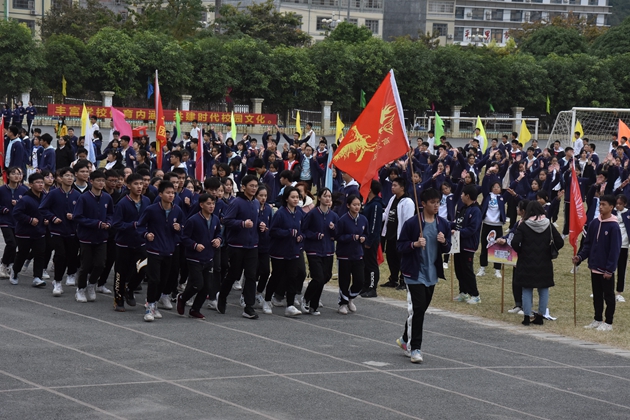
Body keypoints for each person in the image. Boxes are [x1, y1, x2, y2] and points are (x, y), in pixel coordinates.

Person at [396, 188, 452, 363]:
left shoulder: (443, 224)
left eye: (438, 202)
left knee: (420, 309)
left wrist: (444, 242)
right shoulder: (413, 224)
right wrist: (414, 244)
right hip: (414, 273)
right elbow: (400, 246)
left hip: (431, 273)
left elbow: (448, 248)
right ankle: (415, 348)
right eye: (432, 202)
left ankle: (404, 339)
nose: (436, 206)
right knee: (418, 309)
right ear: (423, 204)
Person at [217, 175, 266, 319]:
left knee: (251, 275)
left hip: (252, 245)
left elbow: (255, 220)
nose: (254, 189)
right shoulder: (236, 202)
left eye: (256, 186)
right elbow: (226, 220)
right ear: (243, 187)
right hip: (236, 245)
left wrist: (260, 225)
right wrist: (242, 224)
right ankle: (222, 296)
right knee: (234, 274)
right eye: (251, 186)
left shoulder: (256, 203)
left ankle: (249, 307)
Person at [137, 181, 185, 322]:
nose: (171, 195)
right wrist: (146, 235)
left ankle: (155, 303)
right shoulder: (151, 210)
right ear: (160, 194)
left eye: (173, 193)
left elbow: (183, 228)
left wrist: (179, 228)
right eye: (168, 193)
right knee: (154, 279)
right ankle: (149, 306)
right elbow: (140, 226)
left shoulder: (177, 210)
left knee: (164, 280)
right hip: (154, 249)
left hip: (169, 250)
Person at [574, 195, 622, 332]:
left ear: (611, 207)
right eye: (600, 204)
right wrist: (580, 257)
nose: (601, 207)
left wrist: (610, 269)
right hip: (594, 266)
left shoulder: (614, 226)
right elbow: (588, 245)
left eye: (604, 205)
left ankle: (608, 322)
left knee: (608, 296)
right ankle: (597, 318)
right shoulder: (594, 223)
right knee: (597, 295)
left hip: (606, 269)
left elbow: (615, 250)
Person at [511, 201, 564, 326]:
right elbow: (560, 242)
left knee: (526, 288)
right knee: (543, 289)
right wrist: (550, 250)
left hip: (526, 261)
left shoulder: (524, 225)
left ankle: (526, 316)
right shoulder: (548, 225)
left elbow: (514, 243)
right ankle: (540, 316)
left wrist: (521, 251)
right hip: (544, 261)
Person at [178, 193, 222, 319]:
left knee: (207, 287)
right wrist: (195, 245)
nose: (211, 206)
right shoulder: (193, 220)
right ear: (201, 205)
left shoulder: (215, 219)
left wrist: (218, 240)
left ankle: (195, 309)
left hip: (208, 256)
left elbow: (219, 233)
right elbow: (184, 237)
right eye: (208, 203)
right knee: (198, 284)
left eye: (213, 203)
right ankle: (183, 297)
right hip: (194, 257)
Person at [73, 171, 114, 303]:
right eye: (98, 180)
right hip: (86, 237)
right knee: (85, 265)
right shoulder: (84, 198)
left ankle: (91, 284)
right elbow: (78, 217)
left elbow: (111, 214)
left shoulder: (107, 198)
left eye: (103, 181)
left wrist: (109, 223)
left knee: (100, 264)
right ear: (91, 182)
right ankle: (80, 289)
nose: (101, 183)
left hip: (102, 237)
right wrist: (96, 223)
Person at [112, 173, 151, 312]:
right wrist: (132, 225)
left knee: (143, 268)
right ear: (128, 186)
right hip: (124, 243)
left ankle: (130, 289)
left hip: (141, 242)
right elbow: (116, 224)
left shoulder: (146, 201)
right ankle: (119, 300)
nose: (139, 186)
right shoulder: (123, 203)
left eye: (141, 184)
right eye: (136, 184)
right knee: (120, 273)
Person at [39, 167, 81, 296]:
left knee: (70, 256)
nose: (70, 178)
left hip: (72, 231)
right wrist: (53, 218)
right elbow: (42, 208)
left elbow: (82, 213)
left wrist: (74, 216)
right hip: (56, 230)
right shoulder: (53, 193)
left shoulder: (77, 195)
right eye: (67, 176)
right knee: (60, 255)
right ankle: (57, 282)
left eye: (72, 176)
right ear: (60, 178)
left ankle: (65, 276)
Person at [265, 186, 305, 317]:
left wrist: (301, 236)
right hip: (279, 251)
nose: (295, 199)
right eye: (293, 197)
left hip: (294, 250)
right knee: (277, 276)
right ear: (286, 198)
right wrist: (288, 233)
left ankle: (290, 305)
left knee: (293, 276)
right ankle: (267, 300)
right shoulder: (280, 213)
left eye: (297, 197)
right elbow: (273, 231)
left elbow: (303, 229)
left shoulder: (299, 212)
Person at [301, 187, 338, 315]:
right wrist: (315, 235)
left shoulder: (333, 216)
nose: (327, 199)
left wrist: (333, 229)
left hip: (328, 250)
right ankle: (306, 299)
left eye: (329, 196)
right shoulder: (312, 214)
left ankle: (313, 305)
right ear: (319, 198)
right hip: (314, 250)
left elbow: (337, 234)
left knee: (326, 276)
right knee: (318, 277)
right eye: (325, 196)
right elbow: (304, 230)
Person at [9, 173, 47, 287]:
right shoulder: (25, 199)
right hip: (24, 233)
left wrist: (47, 219)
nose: (40, 185)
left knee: (40, 254)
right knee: (22, 254)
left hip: (39, 232)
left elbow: (47, 211)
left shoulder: (45, 198)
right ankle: (15, 271)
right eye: (37, 183)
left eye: (42, 182)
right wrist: (29, 220)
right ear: (30, 184)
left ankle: (37, 277)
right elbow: (16, 213)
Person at [335, 195, 368, 314]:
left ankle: (350, 298)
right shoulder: (343, 220)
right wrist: (351, 237)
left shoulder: (363, 219)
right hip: (344, 254)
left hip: (358, 254)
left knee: (360, 280)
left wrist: (363, 238)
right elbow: (338, 236)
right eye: (354, 205)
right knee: (344, 280)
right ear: (348, 205)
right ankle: (342, 303)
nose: (357, 207)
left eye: (359, 204)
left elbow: (366, 233)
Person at [381, 177, 415, 290]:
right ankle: (393, 279)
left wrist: (405, 237)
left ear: (402, 188)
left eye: (395, 185)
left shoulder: (408, 202)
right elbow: (386, 214)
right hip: (390, 234)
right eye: (392, 185)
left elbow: (408, 221)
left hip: (400, 236)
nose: (392, 187)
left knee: (401, 259)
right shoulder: (392, 199)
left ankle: (403, 280)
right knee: (391, 258)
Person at [451, 184, 483, 304]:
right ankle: (463, 292)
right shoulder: (463, 208)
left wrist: (458, 232)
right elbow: (457, 223)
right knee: (459, 269)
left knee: (467, 270)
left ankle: (475, 295)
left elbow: (472, 229)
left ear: (468, 196)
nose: (461, 196)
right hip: (458, 244)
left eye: (462, 194)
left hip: (468, 245)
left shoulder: (475, 211)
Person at [0, 167, 28, 279]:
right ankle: (3, 265)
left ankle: (9, 264)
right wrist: (3, 209)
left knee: (15, 244)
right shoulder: (2, 190)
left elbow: (29, 205)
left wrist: (19, 204)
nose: (16, 176)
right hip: (5, 220)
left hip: (18, 221)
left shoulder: (24, 190)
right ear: (8, 176)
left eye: (19, 174)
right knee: (11, 243)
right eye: (13, 173)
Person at [360, 181, 384, 297]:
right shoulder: (368, 203)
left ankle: (372, 287)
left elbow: (374, 225)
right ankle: (365, 285)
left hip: (371, 239)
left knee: (371, 263)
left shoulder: (376, 205)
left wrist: (369, 240)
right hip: (365, 238)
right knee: (365, 263)